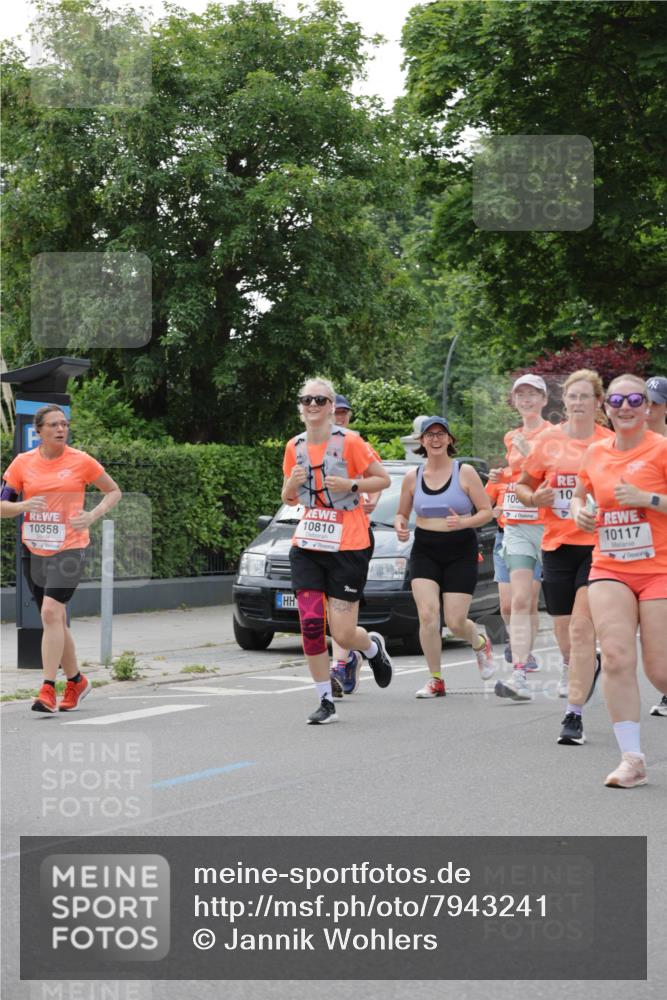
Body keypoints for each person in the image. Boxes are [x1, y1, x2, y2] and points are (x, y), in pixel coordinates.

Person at [571, 374, 667, 787]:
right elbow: (580, 494)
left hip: (660, 568)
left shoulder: (662, 449)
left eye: (635, 400)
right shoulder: (595, 453)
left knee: (660, 671)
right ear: (606, 408)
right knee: (614, 656)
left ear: (647, 408)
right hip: (610, 566)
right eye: (616, 400)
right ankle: (632, 760)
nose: (625, 407)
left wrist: (649, 500)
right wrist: (579, 512)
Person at [282, 377, 392, 725]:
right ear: (300, 407)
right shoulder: (294, 446)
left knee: (343, 633)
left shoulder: (351, 442)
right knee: (312, 625)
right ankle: (325, 700)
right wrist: (291, 484)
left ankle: (371, 647)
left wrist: (350, 484)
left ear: (331, 407)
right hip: (308, 544)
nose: (313, 405)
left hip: (349, 543)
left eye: (320, 400)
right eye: (307, 400)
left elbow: (383, 479)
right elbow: (288, 497)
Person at [1, 404, 121, 713]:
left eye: (64, 424)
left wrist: (91, 515)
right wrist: (23, 505)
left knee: (51, 613)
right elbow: (2, 506)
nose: (61, 429)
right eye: (53, 424)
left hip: (69, 548)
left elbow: (113, 491)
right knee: (54, 619)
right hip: (34, 549)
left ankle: (47, 688)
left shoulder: (81, 460)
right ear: (39, 431)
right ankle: (76, 681)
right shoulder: (22, 463)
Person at [515, 369, 612, 743]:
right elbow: (523, 485)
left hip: (598, 547)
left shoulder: (608, 442)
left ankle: (573, 715)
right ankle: (584, 664)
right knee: (564, 631)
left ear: (598, 402)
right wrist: (534, 497)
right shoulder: (548, 441)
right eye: (572, 396)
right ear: (564, 401)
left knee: (581, 628)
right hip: (556, 545)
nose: (577, 402)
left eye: (585, 396)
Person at [394, 416, 495, 698]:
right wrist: (400, 525)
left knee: (455, 622)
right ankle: (435, 679)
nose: (435, 439)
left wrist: (464, 522)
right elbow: (401, 513)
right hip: (425, 548)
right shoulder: (413, 477)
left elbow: (486, 511)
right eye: (430, 435)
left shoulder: (465, 472)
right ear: (422, 441)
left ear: (450, 439)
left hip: (460, 549)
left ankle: (479, 642)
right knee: (427, 615)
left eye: (441, 434)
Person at [490, 374, 550, 702]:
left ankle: (575, 661)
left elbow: (553, 475)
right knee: (519, 601)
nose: (526, 400)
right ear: (514, 401)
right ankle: (519, 673)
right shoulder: (511, 436)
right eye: (521, 395)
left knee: (563, 605)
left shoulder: (554, 435)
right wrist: (501, 478)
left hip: (548, 526)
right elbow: (517, 476)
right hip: (515, 526)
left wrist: (531, 456)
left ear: (544, 400)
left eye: (532, 394)